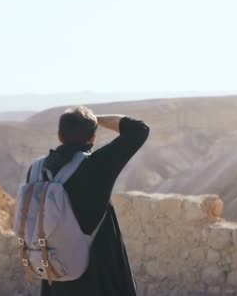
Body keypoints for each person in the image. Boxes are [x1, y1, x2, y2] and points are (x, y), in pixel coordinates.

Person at [25, 106, 150, 296]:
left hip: (56, 277)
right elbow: (138, 129)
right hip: (99, 281)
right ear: (93, 137)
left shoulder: (36, 170)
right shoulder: (96, 166)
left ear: (59, 136)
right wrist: (96, 119)